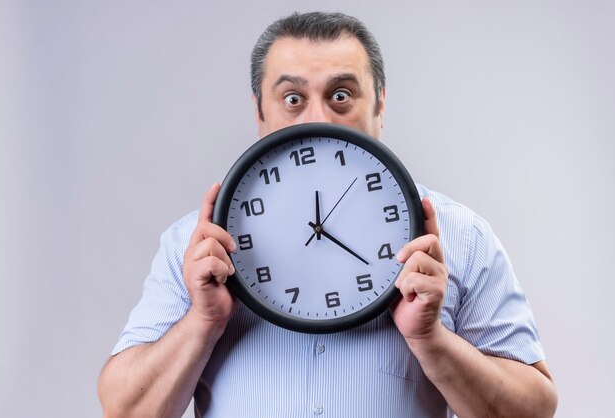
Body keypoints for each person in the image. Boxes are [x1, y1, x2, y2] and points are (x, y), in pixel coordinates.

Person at [98, 11, 557, 418]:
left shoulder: (462, 237)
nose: (318, 118)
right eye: (293, 99)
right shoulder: (196, 245)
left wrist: (432, 340)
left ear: (379, 104)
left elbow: (534, 410)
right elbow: (124, 410)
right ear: (259, 111)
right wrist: (202, 322)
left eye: (341, 95)